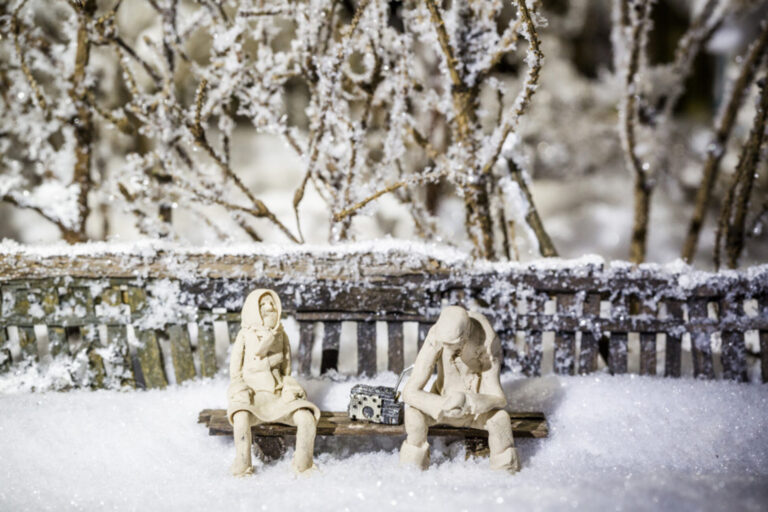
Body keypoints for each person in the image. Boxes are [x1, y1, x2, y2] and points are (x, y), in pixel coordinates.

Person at [399, 305, 520, 473]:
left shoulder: (487, 344)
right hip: (441, 405)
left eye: (453, 345)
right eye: (444, 344)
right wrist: (441, 404)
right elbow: (409, 392)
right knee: (413, 415)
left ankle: (506, 477)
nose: (447, 349)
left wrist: (468, 401)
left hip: (474, 411)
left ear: (466, 335)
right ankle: (409, 474)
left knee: (500, 419)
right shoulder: (436, 337)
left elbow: (499, 398)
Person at [227, 289, 320, 476]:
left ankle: (304, 465)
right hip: (254, 397)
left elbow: (286, 370)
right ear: (253, 309)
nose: (269, 308)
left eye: (272, 304)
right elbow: (235, 373)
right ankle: (243, 466)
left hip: (278, 397)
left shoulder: (282, 335)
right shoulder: (245, 336)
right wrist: (240, 390)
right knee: (241, 419)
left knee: (306, 418)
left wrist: (290, 387)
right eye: (263, 304)